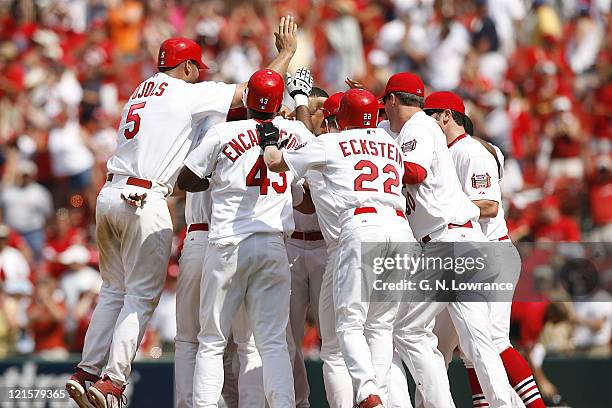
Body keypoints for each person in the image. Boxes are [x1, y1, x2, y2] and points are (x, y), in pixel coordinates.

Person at [66, 16, 299, 408]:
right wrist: (286, 55)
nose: (198, 77)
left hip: (111, 193)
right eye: (196, 70)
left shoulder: (140, 89)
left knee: (113, 290)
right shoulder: (184, 92)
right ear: (187, 66)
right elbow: (255, 92)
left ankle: (86, 371)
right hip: (145, 200)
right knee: (140, 299)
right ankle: (111, 382)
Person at [263, 89, 417, 408]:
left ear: (339, 118)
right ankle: (381, 396)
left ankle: (367, 394)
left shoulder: (331, 142)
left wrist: (268, 138)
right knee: (380, 326)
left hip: (360, 230)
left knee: (348, 324)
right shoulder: (390, 143)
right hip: (401, 230)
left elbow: (277, 163)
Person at [176, 68, 313, 408]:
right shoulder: (294, 130)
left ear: (248, 100)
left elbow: (187, 179)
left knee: (211, 340)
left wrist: (216, 181)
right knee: (271, 342)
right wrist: (300, 102)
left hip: (228, 242)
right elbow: (316, 149)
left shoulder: (224, 132)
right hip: (273, 244)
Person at [379, 72, 513, 407]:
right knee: (478, 343)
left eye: (385, 103)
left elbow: (416, 172)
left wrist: (382, 163)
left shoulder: (420, 126)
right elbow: (379, 128)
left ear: (393, 100)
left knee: (409, 331)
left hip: (446, 241)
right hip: (458, 240)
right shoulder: (407, 129)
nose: (383, 110)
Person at [424, 91, 546, 408]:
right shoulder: (448, 151)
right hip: (466, 254)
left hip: (492, 251)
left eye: (429, 115)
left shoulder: (471, 152)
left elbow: (490, 206)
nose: (423, 122)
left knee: (493, 340)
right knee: (468, 345)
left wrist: (444, 207)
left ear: (447, 116)